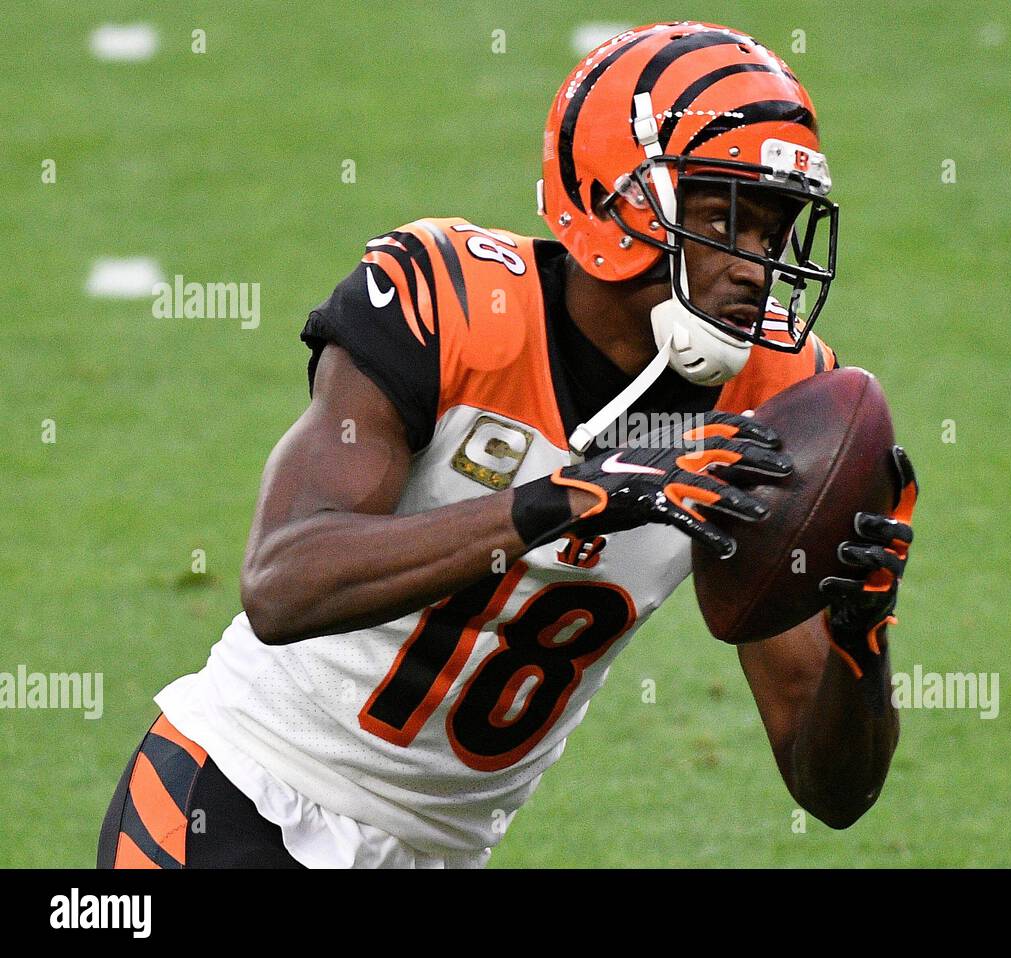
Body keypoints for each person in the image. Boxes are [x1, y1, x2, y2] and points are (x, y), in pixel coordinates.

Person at [97, 20, 917, 869]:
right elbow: (283, 584)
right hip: (242, 797)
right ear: (620, 197)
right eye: (726, 219)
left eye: (773, 235)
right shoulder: (449, 303)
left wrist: (863, 638)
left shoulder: (777, 398)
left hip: (441, 853)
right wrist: (574, 495)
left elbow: (832, 795)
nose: (755, 266)